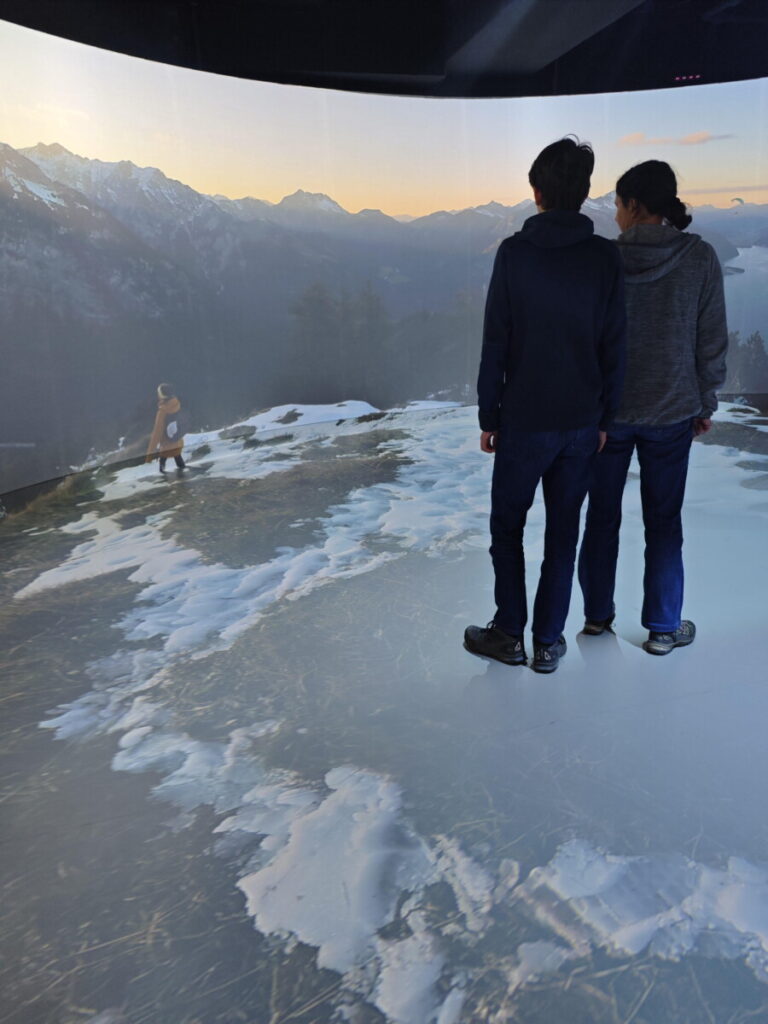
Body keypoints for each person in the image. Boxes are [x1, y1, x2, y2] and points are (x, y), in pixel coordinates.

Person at [464, 137, 626, 674]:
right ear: (583, 194)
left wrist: (491, 416)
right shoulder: (605, 257)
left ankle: (509, 631)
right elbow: (614, 345)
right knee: (564, 532)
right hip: (582, 425)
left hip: (523, 423)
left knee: (507, 529)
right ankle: (548, 642)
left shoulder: (514, 253)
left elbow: (495, 342)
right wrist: (606, 419)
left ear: (536, 192)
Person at [578, 160, 728, 655]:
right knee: (664, 523)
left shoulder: (601, 260)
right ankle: (664, 628)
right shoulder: (699, 257)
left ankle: (597, 618)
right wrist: (705, 399)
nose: (615, 215)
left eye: (618, 205)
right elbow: (710, 339)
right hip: (672, 410)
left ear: (634, 205)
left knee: (601, 516)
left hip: (607, 416)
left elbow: (585, 341)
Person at [145, 383, 186, 472]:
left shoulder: (162, 411)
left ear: (162, 395)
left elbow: (157, 432)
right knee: (178, 458)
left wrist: (149, 455)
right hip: (177, 440)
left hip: (166, 444)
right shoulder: (177, 404)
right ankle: (184, 476)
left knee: (162, 464)